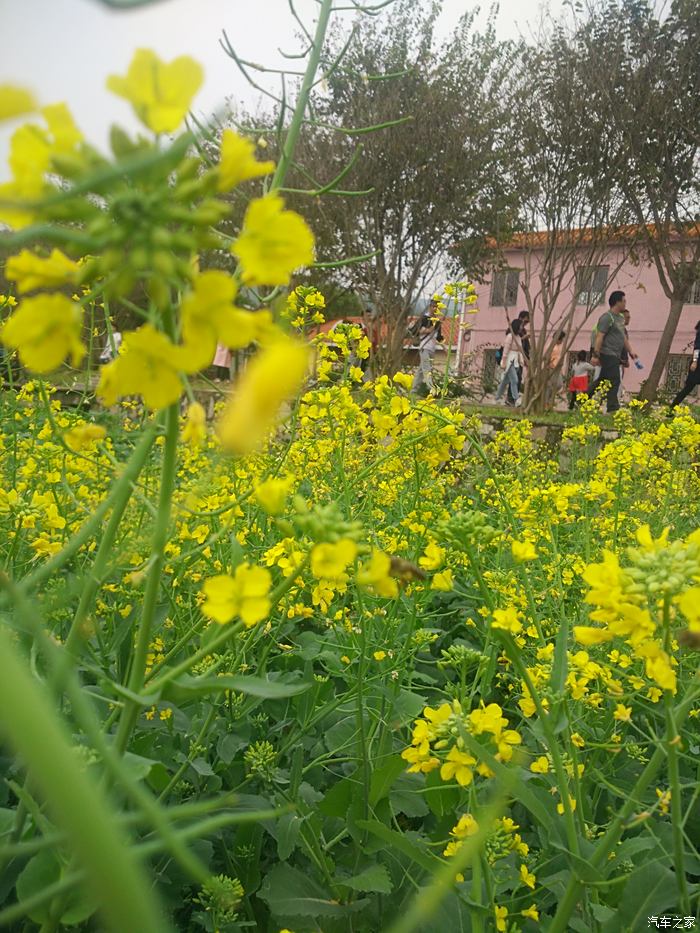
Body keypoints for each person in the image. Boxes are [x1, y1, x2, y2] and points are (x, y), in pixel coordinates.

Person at [588, 290, 636, 413]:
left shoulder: (620, 318)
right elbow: (600, 336)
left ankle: (583, 397)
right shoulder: (606, 317)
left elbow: (622, 336)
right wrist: (595, 355)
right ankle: (612, 408)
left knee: (602, 379)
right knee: (615, 379)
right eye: (624, 301)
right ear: (617, 302)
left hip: (616, 353)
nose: (625, 303)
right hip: (607, 353)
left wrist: (630, 351)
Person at [411, 300, 442, 395]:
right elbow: (414, 330)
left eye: (437, 307)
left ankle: (413, 391)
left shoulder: (438, 322)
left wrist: (444, 346)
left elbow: (439, 337)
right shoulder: (424, 319)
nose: (435, 309)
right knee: (427, 369)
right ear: (430, 307)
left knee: (421, 370)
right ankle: (432, 390)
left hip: (432, 348)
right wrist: (427, 330)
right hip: (424, 347)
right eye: (433, 306)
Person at [494, 318, 525, 407]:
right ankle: (516, 399)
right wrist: (503, 362)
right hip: (509, 360)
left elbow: (520, 350)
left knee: (505, 381)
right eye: (521, 326)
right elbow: (506, 350)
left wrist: (521, 361)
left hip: (515, 360)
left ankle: (497, 398)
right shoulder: (510, 336)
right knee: (515, 380)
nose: (522, 327)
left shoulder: (518, 337)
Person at [670, 320, 700, 409]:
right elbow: (697, 348)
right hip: (698, 364)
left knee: (688, 388)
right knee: (688, 388)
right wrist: (695, 361)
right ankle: (672, 408)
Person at [507, 310, 530, 405]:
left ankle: (513, 398)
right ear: (520, 319)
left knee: (518, 378)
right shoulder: (512, 329)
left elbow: (526, 346)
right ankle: (510, 398)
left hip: (520, 358)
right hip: (513, 357)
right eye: (524, 322)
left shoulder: (523, 331)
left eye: (527, 322)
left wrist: (527, 358)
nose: (525, 324)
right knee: (514, 378)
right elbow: (513, 341)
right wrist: (524, 337)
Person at [545, 331, 566, 409]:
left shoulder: (558, 346)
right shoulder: (550, 346)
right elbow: (546, 357)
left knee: (559, 384)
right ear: (558, 339)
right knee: (550, 386)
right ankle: (546, 402)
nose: (562, 341)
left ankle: (549, 400)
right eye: (561, 339)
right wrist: (549, 365)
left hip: (557, 368)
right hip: (552, 368)